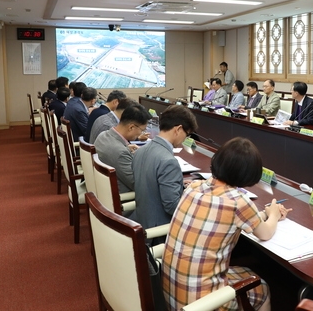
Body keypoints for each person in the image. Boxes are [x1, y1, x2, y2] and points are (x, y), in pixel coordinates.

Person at [162, 137, 290, 311]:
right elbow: (266, 233)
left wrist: (262, 214)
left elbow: (228, 217)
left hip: (171, 293)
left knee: (242, 269)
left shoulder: (194, 186)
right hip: (203, 304)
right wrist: (273, 215)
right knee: (262, 286)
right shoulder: (238, 201)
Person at [131, 105, 198, 244]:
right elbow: (172, 206)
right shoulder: (168, 161)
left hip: (142, 221)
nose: (185, 139)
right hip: (159, 234)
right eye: (187, 134)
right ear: (178, 129)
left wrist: (178, 183)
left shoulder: (140, 151)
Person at [94, 103, 152, 196]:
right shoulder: (120, 152)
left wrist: (126, 148)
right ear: (131, 127)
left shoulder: (103, 135)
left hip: (103, 191)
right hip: (123, 199)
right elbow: (137, 184)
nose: (142, 133)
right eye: (142, 130)